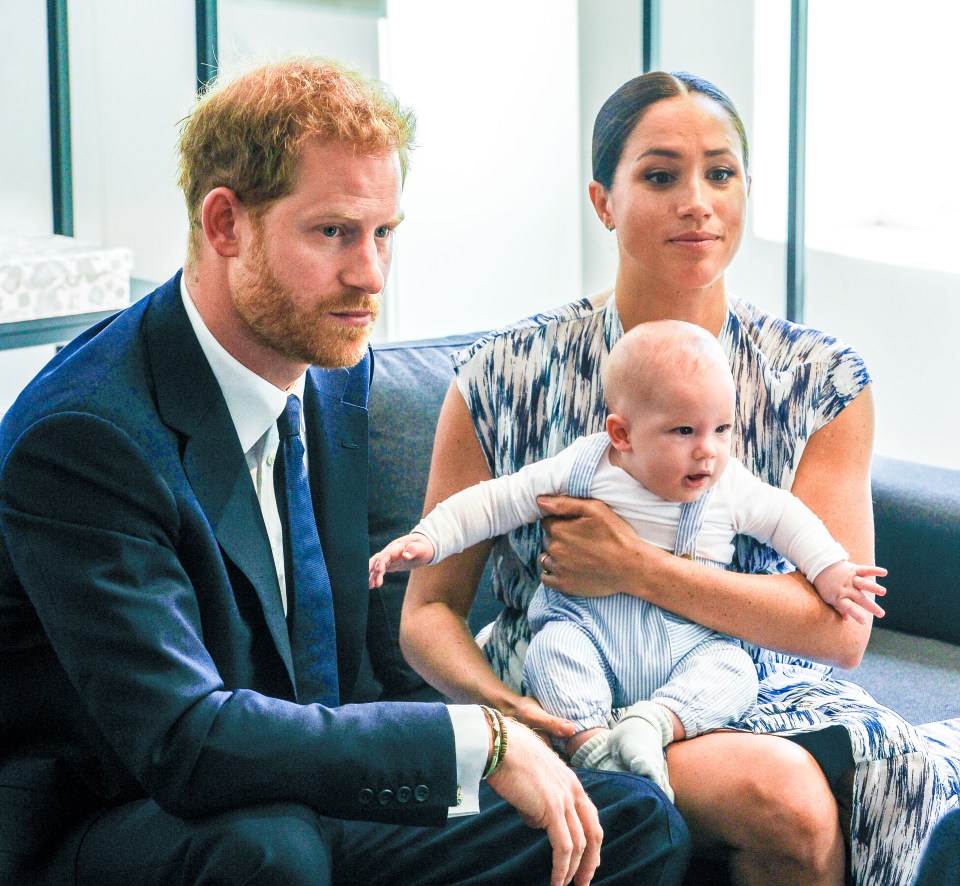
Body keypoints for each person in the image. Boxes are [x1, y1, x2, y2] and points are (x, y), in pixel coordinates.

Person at [0, 58, 692, 886]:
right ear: (226, 224)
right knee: (273, 855)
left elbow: (341, 675)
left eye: (384, 233)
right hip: (119, 821)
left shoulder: (331, 373)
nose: (369, 275)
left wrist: (492, 746)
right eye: (333, 232)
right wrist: (478, 739)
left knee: (625, 822)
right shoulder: (86, 439)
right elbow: (182, 741)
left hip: (298, 790)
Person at [400, 70, 960, 884]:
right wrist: (507, 716)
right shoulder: (502, 373)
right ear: (604, 200)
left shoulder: (819, 378)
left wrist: (635, 568)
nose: (697, 200)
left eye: (720, 173)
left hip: (748, 682)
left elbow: (839, 631)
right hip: (565, 684)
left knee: (884, 784)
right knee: (789, 799)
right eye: (660, 175)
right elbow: (429, 615)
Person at [371, 319, 887, 800]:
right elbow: (496, 500)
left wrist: (832, 571)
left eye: (722, 429)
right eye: (683, 432)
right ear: (621, 434)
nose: (708, 451)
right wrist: (429, 539)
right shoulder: (585, 467)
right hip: (587, 626)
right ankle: (590, 743)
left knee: (732, 669)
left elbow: (788, 520)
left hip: (689, 639)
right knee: (553, 652)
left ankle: (654, 722)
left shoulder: (729, 487)